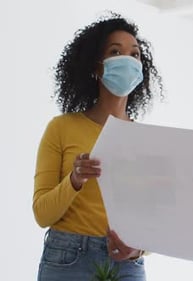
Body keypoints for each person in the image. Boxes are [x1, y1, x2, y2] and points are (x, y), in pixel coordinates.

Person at [33, 12, 163, 281]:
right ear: (96, 66)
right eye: (116, 52)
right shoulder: (61, 128)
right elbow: (42, 214)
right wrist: (75, 180)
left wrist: (138, 250)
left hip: (127, 266)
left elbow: (155, 221)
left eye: (135, 54)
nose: (128, 59)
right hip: (68, 260)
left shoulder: (147, 140)